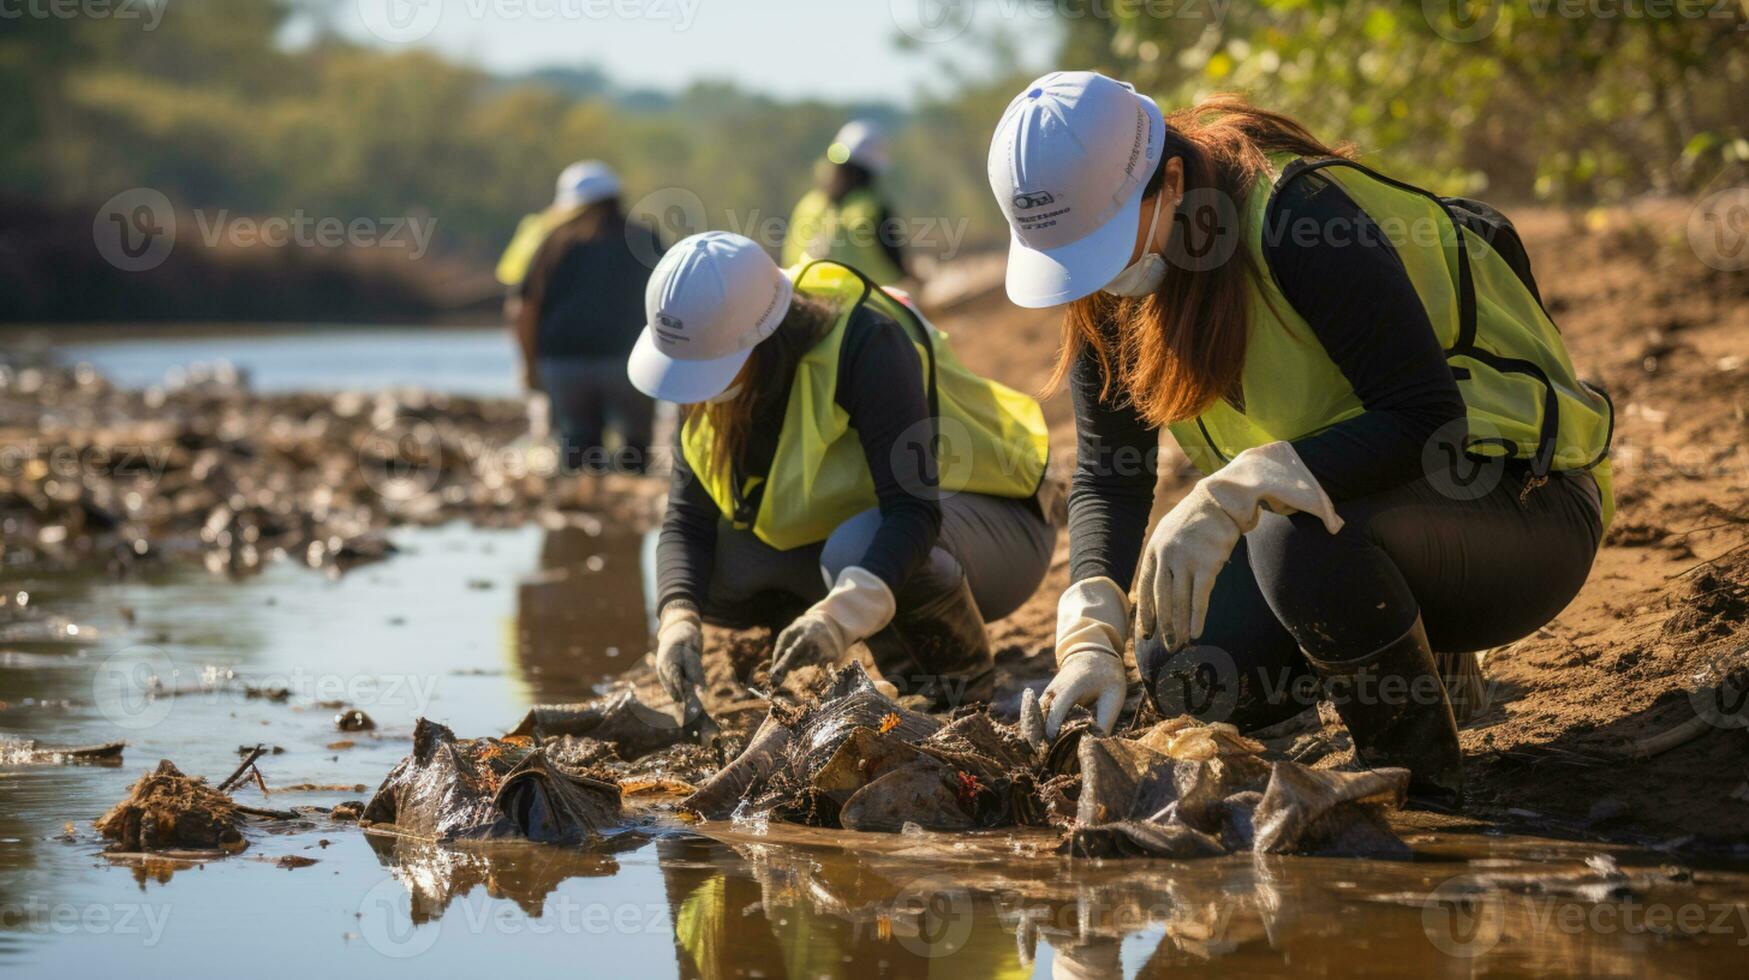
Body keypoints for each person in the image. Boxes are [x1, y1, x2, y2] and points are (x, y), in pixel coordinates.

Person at [987, 72, 1614, 804]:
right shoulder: (1112, 282)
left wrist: (1232, 492)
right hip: (1361, 525)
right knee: (1183, 661)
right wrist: (1089, 633)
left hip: (1522, 508)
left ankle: (1421, 789)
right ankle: (1392, 648)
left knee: (1298, 536)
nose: (1090, 273)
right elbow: (1109, 470)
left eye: (1097, 243)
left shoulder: (1300, 219)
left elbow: (1425, 421)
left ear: (1174, 181)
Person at [627, 232, 1056, 721]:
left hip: (998, 527)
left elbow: (913, 512)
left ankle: (953, 686)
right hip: (880, 536)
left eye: (703, 369)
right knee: (716, 570)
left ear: (759, 339)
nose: (693, 387)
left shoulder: (865, 344)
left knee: (854, 546)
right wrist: (677, 620)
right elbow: (687, 523)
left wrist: (839, 617)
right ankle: (812, 626)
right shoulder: (713, 381)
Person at [499, 161, 665, 473]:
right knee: (636, 453)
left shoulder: (552, 243)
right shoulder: (645, 239)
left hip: (565, 366)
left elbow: (522, 309)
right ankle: (631, 511)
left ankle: (581, 505)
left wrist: (529, 365)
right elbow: (671, 302)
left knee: (577, 454)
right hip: (632, 365)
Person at [782, 120, 910, 286]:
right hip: (864, 305)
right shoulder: (872, 207)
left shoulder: (808, 203)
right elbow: (895, 264)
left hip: (803, 300)